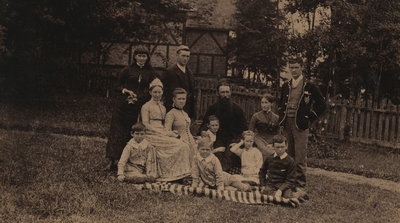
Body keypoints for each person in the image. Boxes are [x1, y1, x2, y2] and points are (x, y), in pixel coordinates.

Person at [278, 56, 326, 194]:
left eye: (296, 67)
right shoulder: (286, 86)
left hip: (300, 124)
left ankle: (300, 184)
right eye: (291, 68)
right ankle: (289, 182)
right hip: (287, 122)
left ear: (301, 68)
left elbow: (322, 105)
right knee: (288, 154)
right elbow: (281, 103)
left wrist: (309, 117)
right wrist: (281, 119)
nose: (293, 70)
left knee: (299, 155)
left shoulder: (309, 86)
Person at [106, 47, 158, 171]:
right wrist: (126, 91)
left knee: (131, 132)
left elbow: (155, 87)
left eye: (144, 56)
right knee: (117, 132)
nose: (141, 58)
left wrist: (143, 96)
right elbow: (117, 86)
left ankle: (127, 161)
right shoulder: (127, 70)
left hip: (138, 107)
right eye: (139, 56)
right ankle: (112, 160)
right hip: (123, 106)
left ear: (147, 58)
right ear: (135, 57)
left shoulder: (150, 72)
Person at [141, 78, 191, 181]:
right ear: (150, 92)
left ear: (162, 92)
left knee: (182, 143)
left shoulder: (163, 107)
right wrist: (160, 132)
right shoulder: (146, 106)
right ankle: (173, 173)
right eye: (154, 92)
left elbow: (165, 125)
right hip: (151, 134)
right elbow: (145, 124)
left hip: (162, 133)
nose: (157, 94)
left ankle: (180, 173)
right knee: (180, 145)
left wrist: (169, 133)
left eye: (159, 92)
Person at [198, 80, 247, 172]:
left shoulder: (237, 109)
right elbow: (204, 125)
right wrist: (203, 132)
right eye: (222, 92)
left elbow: (244, 128)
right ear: (217, 94)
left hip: (232, 138)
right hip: (217, 138)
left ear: (230, 93)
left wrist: (237, 141)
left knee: (229, 154)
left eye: (227, 92)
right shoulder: (212, 108)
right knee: (219, 154)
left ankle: (223, 174)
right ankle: (219, 173)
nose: (225, 95)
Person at [258, 134, 297, 202]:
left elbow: (290, 180)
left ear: (286, 146)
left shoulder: (290, 161)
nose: (280, 149)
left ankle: (297, 194)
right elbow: (262, 171)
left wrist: (280, 190)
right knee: (265, 192)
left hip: (284, 185)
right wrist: (263, 185)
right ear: (273, 147)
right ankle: (276, 196)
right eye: (277, 147)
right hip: (271, 184)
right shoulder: (269, 158)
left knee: (287, 197)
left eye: (282, 147)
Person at [165, 88, 197, 165]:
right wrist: (178, 138)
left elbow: (187, 129)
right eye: (179, 99)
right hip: (180, 142)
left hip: (191, 141)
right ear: (173, 99)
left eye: (183, 99)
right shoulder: (171, 114)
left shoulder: (185, 113)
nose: (182, 101)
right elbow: (167, 131)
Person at [162, 45, 195, 118]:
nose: (185, 59)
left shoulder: (190, 73)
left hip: (186, 109)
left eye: (187, 56)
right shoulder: (170, 72)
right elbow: (165, 91)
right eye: (183, 56)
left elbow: (192, 93)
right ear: (177, 56)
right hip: (173, 108)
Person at [249, 94, 279, 160]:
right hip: (259, 139)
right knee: (269, 152)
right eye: (262, 103)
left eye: (266, 102)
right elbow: (250, 132)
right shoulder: (256, 116)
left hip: (271, 139)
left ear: (271, 104)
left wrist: (273, 144)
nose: (264, 105)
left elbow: (278, 134)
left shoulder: (276, 118)